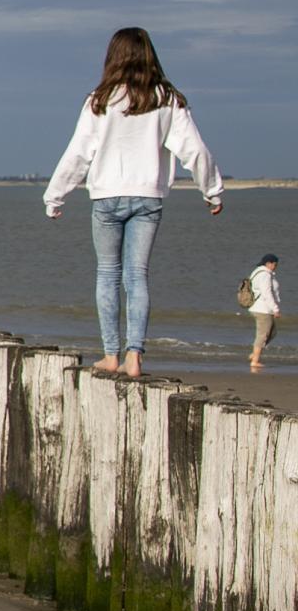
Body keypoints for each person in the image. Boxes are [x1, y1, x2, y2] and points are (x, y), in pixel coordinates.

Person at [43, 27, 224, 378]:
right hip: (148, 196)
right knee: (137, 276)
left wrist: (55, 196)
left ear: (113, 57)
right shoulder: (166, 99)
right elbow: (194, 150)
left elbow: (78, 153)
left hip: (107, 196)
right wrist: (212, 190)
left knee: (108, 274)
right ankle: (135, 356)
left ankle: (111, 355)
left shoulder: (100, 99)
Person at [249, 254, 282, 373]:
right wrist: (275, 309)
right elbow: (266, 293)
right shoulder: (265, 275)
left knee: (272, 332)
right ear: (268, 263)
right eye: (275, 264)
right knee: (262, 335)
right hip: (263, 309)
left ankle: (254, 355)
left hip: (260, 308)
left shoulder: (258, 272)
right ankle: (255, 360)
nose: (276, 266)